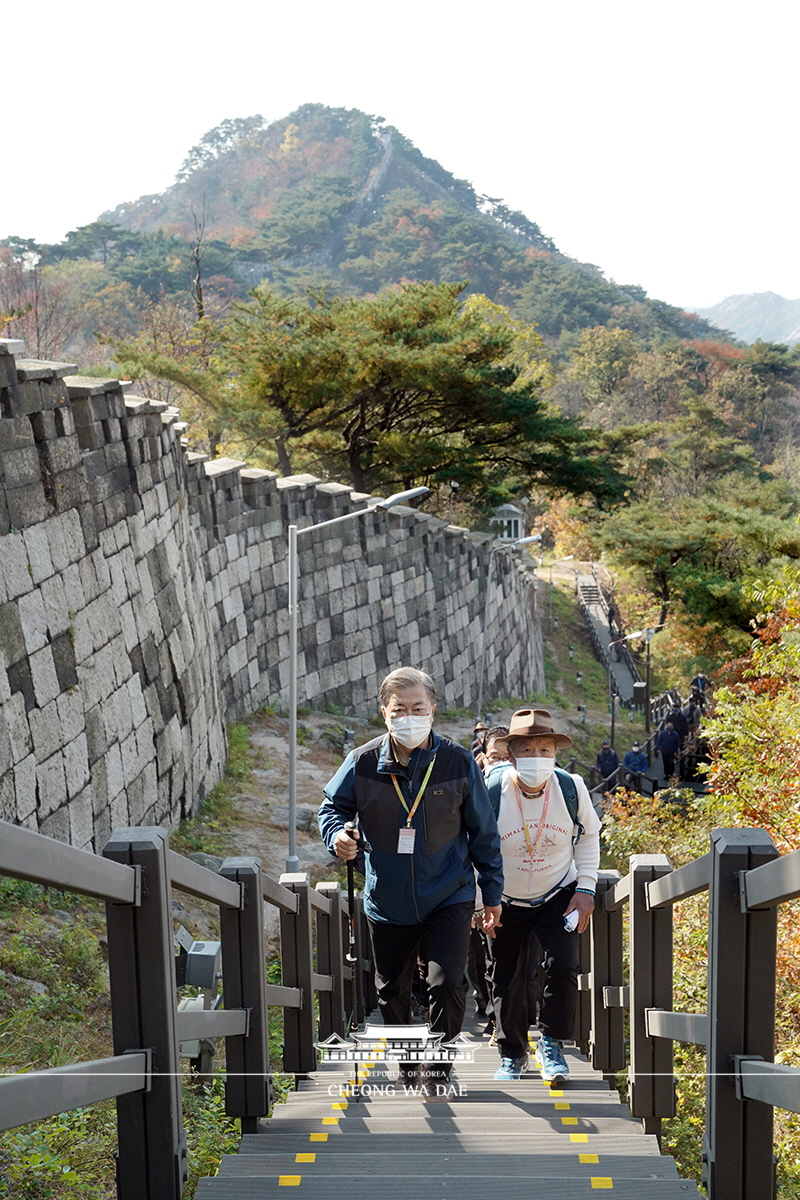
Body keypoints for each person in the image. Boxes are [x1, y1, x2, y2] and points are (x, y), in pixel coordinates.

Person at [318, 666, 503, 1096]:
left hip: (449, 892)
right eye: (400, 709)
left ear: (433, 710)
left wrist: (490, 894)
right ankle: (406, 1061)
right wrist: (338, 836)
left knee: (447, 981)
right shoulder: (363, 762)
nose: (409, 716)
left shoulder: (457, 761)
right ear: (385, 713)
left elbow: (484, 832)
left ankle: (439, 1070)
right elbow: (331, 808)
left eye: (418, 708)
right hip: (388, 897)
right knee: (391, 989)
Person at [484, 708, 601, 1085]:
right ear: (512, 753)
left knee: (564, 966)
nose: (537, 757)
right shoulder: (490, 790)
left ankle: (551, 1044)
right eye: (528, 749)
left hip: (558, 892)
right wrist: (482, 901)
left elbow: (588, 837)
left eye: (545, 749)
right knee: (507, 977)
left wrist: (585, 888)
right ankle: (513, 1054)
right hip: (505, 897)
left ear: (555, 753)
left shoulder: (572, 787)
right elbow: (470, 847)